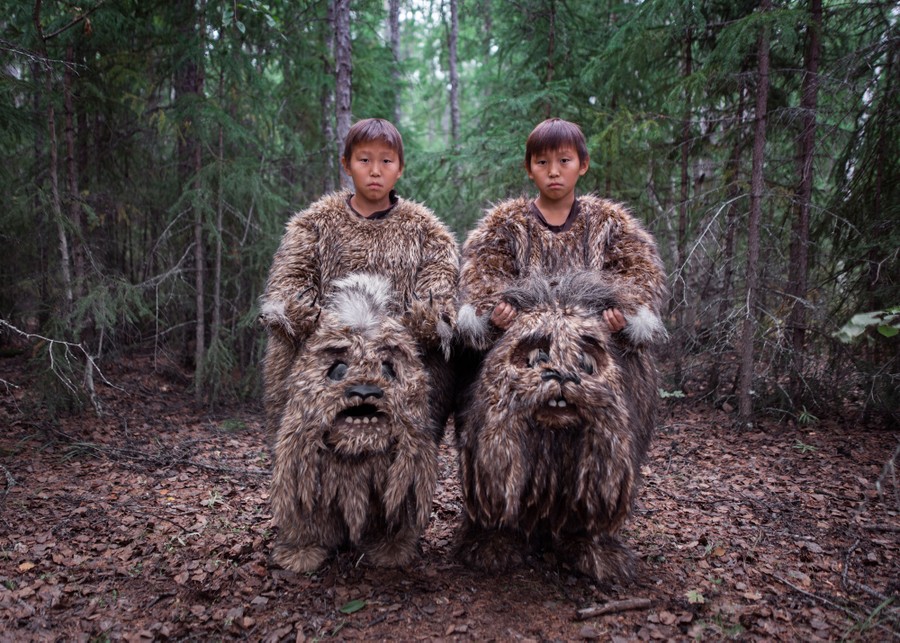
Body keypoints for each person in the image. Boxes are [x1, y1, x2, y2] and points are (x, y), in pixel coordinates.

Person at [259, 118, 459, 436]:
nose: (375, 171)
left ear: (400, 168)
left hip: (398, 373)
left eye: (386, 161)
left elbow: (438, 300)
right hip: (327, 371)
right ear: (347, 165)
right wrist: (336, 332)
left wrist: (393, 336)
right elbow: (287, 291)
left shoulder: (428, 233)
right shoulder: (313, 226)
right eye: (364, 160)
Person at [456, 117, 667, 350]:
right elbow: (484, 283)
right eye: (542, 162)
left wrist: (624, 320)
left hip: (594, 347)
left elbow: (636, 280)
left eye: (564, 161)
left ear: (583, 165)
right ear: (529, 168)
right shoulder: (504, 226)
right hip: (525, 346)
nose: (553, 172)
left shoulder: (610, 225)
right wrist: (493, 318)